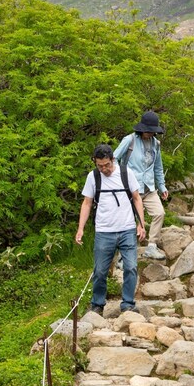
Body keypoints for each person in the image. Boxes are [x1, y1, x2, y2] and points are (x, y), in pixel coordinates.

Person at [75, 144, 146, 315]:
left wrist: (141, 224)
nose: (104, 169)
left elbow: (136, 198)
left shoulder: (125, 173)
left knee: (131, 267)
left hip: (127, 228)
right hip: (104, 231)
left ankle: (128, 303)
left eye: (107, 165)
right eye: (100, 166)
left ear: (112, 159)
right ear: (95, 162)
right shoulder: (93, 177)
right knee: (99, 270)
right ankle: (97, 304)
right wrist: (80, 229)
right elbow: (87, 203)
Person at [114, 110, 169, 260]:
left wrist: (162, 186)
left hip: (149, 187)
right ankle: (122, 256)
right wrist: (119, 178)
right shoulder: (129, 140)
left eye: (152, 131)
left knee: (159, 213)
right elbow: (114, 159)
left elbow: (158, 167)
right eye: (147, 131)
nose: (149, 134)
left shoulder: (156, 144)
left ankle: (151, 246)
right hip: (131, 188)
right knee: (129, 220)